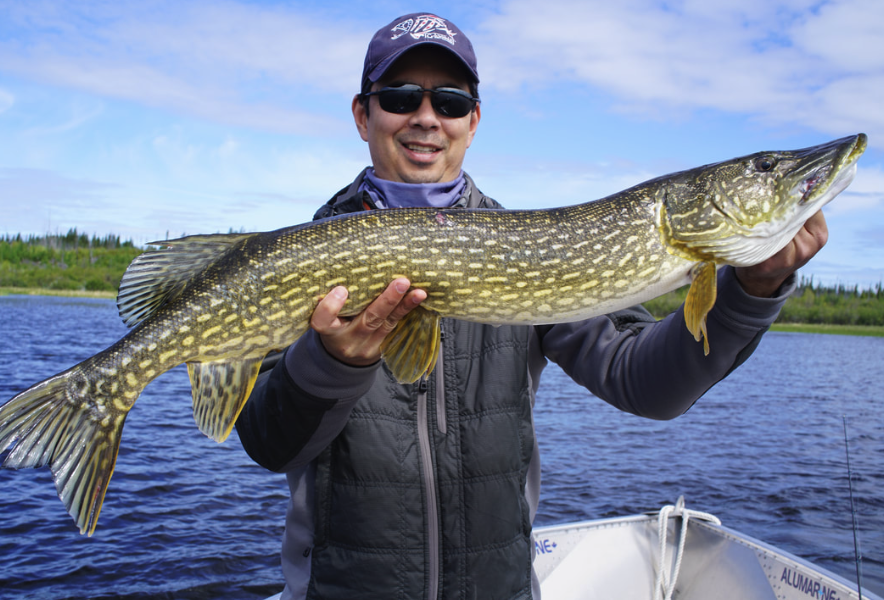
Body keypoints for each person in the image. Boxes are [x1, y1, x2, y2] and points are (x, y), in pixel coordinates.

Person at [236, 13, 827, 600]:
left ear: (473, 121)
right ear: (363, 115)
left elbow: (647, 385)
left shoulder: (533, 249)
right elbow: (269, 442)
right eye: (398, 97)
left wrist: (750, 294)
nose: (425, 117)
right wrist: (330, 364)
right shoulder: (304, 255)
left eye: (448, 101)